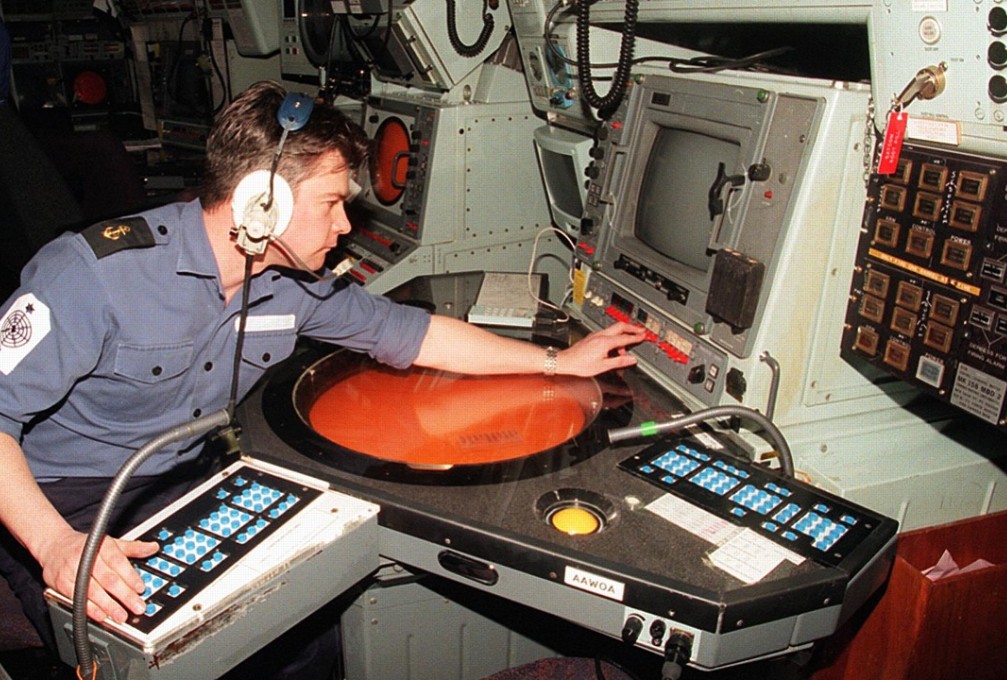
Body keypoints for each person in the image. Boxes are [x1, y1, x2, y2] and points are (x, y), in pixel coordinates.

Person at [0, 80, 645, 676]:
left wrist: (561, 362)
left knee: (306, 634)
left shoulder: (293, 286)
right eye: (333, 203)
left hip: (179, 480)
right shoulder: (92, 274)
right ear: (263, 201)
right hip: (61, 497)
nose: (345, 226)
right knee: (123, 651)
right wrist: (56, 544)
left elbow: (415, 335)